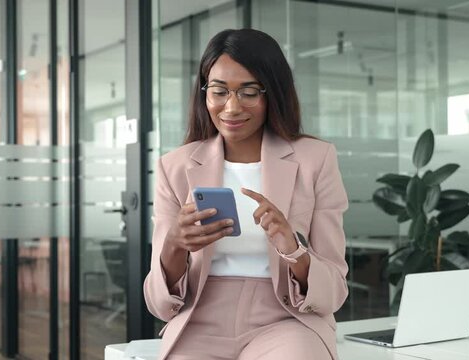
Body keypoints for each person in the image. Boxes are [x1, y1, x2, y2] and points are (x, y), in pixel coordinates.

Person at [144, 28, 349, 360]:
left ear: (273, 93)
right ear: (204, 93)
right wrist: (174, 245)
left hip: (286, 320)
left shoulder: (316, 159)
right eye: (219, 91)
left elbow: (335, 290)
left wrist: (293, 249)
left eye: (249, 92)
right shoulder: (175, 167)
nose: (232, 106)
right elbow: (159, 303)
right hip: (199, 320)